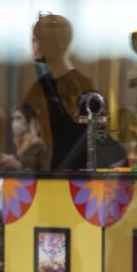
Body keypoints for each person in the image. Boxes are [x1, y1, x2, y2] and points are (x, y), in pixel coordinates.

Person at [21, 13, 94, 171]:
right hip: (53, 173)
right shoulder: (42, 86)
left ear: (50, 43)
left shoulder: (81, 86)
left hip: (72, 175)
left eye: (35, 39)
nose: (31, 45)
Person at [10, 103, 49, 170]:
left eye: (19, 118)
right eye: (13, 118)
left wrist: (9, 161)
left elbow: (28, 168)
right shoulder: (21, 143)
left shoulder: (36, 143)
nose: (14, 122)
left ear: (29, 121)